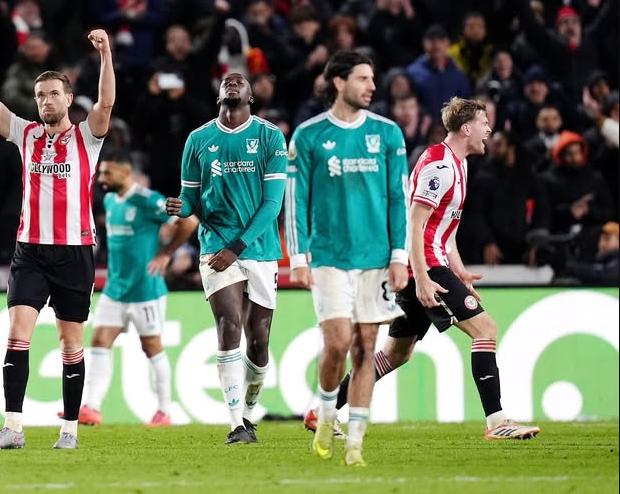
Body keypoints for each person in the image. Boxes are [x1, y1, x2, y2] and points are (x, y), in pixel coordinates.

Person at [311, 98, 542, 442]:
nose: (489, 130)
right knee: (485, 329)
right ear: (466, 128)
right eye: (484, 123)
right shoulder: (440, 166)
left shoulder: (459, 164)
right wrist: (421, 277)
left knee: (396, 354)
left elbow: (445, 228)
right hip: (424, 267)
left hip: (429, 264)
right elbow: (414, 225)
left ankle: (324, 412)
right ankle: (497, 421)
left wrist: (459, 270)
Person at [0, 21, 115, 450]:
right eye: (40, 95)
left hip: (75, 251)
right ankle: (13, 427)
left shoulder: (88, 137)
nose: (46, 101)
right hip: (30, 251)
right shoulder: (25, 134)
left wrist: (105, 54)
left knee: (70, 342)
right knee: (17, 335)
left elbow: (105, 102)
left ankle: (70, 431)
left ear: (68, 99)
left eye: (53, 94)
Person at [285, 50, 409, 467]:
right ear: (338, 82)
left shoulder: (388, 133)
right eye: (362, 78)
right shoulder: (308, 136)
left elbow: (398, 198)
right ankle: (325, 414)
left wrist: (399, 256)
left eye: (372, 79)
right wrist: (298, 257)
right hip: (329, 257)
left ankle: (355, 442)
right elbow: (296, 200)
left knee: (365, 348)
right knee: (337, 342)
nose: (372, 86)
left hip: (375, 258)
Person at [165, 72, 287, 444]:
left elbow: (272, 204)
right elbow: (191, 198)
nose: (232, 83)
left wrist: (238, 247)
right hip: (216, 247)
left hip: (258, 248)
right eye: (226, 82)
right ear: (219, 95)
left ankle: (249, 413)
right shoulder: (198, 139)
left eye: (240, 81)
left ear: (251, 97)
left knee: (259, 340)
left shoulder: (269, 136)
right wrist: (180, 207)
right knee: (228, 325)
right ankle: (236, 425)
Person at [71, 150, 198, 426]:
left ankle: (164, 411)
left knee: (151, 347)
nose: (102, 179)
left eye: (107, 173)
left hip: (145, 290)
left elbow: (189, 221)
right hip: (115, 289)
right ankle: (91, 407)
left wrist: (166, 254)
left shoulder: (147, 200)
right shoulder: (110, 200)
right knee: (99, 341)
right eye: (101, 173)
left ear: (125, 171)